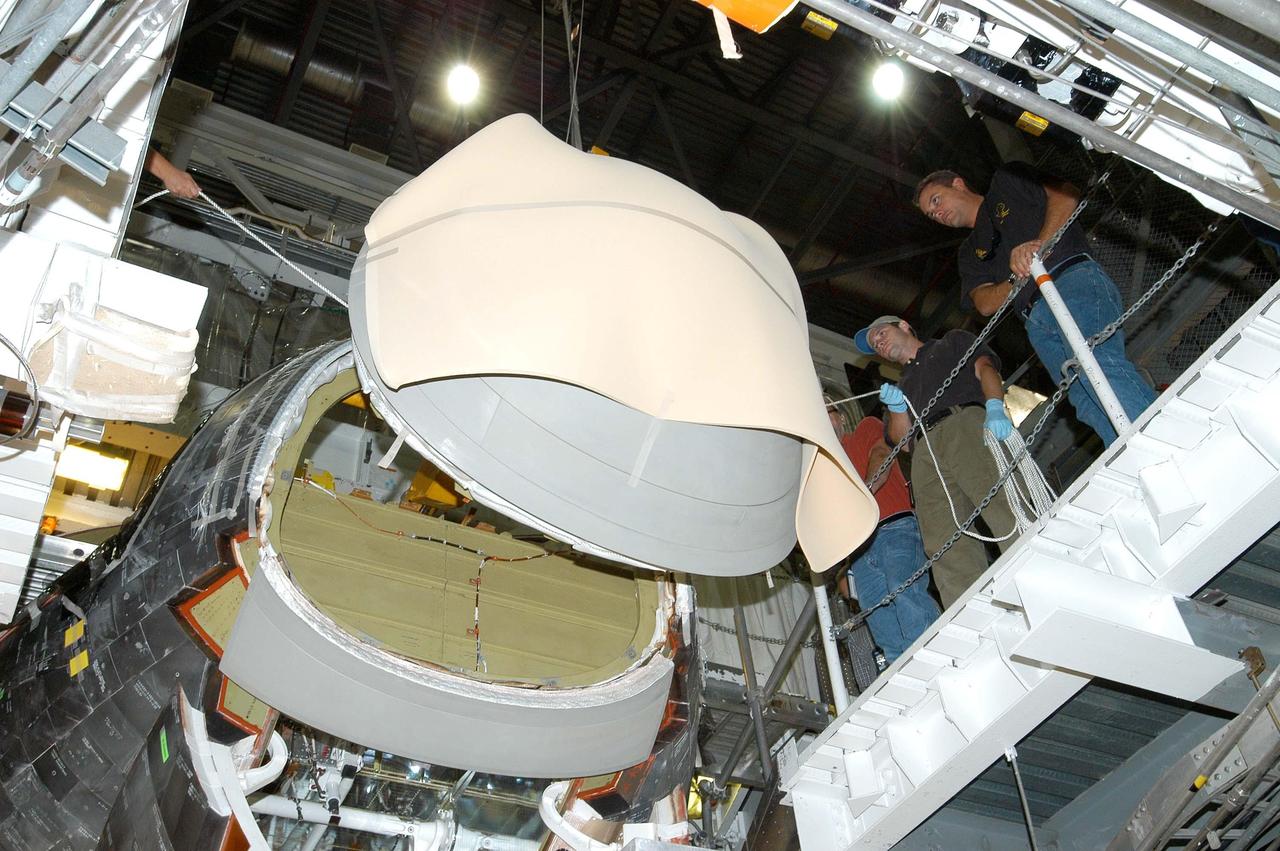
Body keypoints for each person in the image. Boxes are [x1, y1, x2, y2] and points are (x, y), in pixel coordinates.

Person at [914, 164, 1156, 446]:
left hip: (1070, 278)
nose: (937, 214)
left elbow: (1066, 196)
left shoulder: (1006, 181)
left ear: (957, 184)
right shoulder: (969, 254)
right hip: (1035, 319)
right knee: (1080, 395)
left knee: (1097, 363)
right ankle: (1128, 452)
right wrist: (1019, 271)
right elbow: (984, 303)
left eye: (936, 200)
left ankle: (1154, 436)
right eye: (931, 215)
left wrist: (1038, 246)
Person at [853, 315, 1018, 608]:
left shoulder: (950, 342)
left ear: (904, 325)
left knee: (1001, 503)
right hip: (923, 453)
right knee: (942, 539)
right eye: (874, 344)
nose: (878, 342)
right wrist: (897, 407)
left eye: (880, 333)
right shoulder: (900, 387)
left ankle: (1033, 566)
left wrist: (994, 405)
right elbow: (901, 443)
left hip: (962, 424)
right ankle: (967, 608)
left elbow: (985, 368)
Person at [831, 407, 940, 661]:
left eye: (829, 411)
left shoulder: (866, 426)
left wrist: (864, 495)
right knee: (880, 622)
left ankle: (936, 657)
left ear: (843, 416)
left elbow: (882, 454)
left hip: (894, 527)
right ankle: (907, 677)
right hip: (859, 552)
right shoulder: (826, 467)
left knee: (905, 596)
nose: (825, 419)